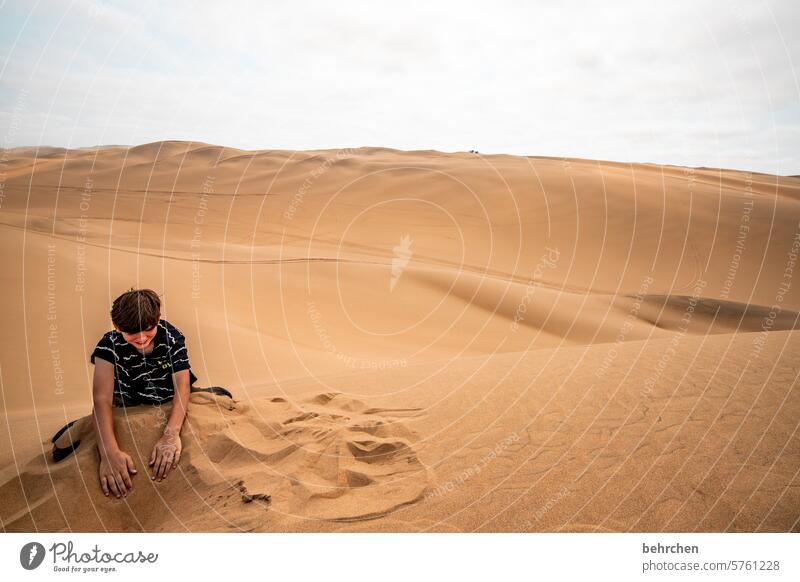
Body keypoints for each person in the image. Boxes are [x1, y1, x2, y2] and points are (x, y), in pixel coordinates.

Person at [90, 288, 196, 499]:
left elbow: (182, 387)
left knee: (221, 398)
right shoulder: (108, 345)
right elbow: (101, 400)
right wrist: (109, 453)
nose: (141, 338)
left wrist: (170, 435)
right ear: (117, 327)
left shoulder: (172, 338)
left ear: (157, 320)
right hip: (127, 401)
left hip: (167, 397)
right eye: (131, 333)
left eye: (148, 329)